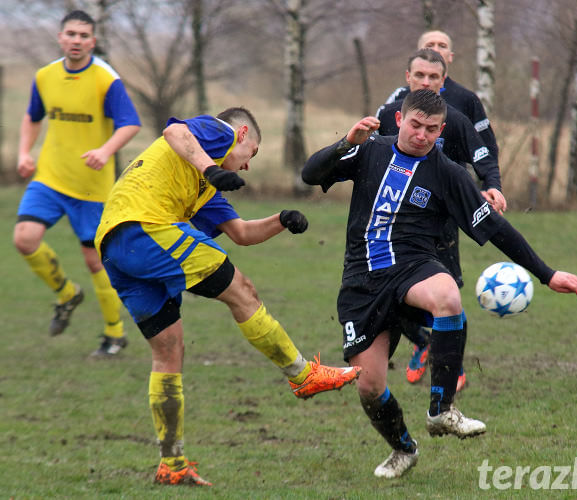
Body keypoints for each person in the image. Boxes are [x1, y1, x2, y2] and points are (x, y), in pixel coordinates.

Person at [302, 89, 577, 478]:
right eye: (415, 125)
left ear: (441, 130)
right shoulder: (371, 150)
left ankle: (442, 409)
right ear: (400, 120)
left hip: (414, 266)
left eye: (431, 129)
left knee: (448, 296)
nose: (422, 135)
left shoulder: (449, 173)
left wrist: (547, 274)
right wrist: (344, 144)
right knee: (369, 387)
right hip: (361, 281)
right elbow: (310, 174)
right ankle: (403, 449)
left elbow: (497, 229)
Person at [94, 107, 362, 486]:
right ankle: (302, 374)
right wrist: (211, 168)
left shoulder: (205, 183)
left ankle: (172, 464)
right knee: (242, 289)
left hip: (116, 246)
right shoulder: (216, 133)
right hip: (144, 226)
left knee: (168, 349)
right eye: (250, 154)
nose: (248, 167)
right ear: (240, 134)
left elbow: (240, 231)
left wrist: (281, 220)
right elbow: (175, 133)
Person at [14, 10, 141, 356]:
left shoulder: (105, 79)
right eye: (71, 34)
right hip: (51, 178)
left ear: (92, 42)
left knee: (95, 261)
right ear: (60, 38)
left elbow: (130, 123)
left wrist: (105, 150)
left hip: (92, 187)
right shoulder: (45, 76)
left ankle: (114, 334)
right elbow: (32, 116)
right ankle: (67, 293)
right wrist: (24, 152)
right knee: (24, 239)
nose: (76, 41)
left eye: (84, 36)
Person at [377, 48, 506, 390]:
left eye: (433, 77)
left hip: (444, 222)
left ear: (443, 79)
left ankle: (452, 364)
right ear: (408, 77)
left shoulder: (457, 114)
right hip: (395, 222)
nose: (426, 82)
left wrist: (492, 186)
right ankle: (422, 341)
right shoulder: (390, 112)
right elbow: (369, 160)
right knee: (394, 294)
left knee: (447, 295)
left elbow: (484, 155)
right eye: (419, 75)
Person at [385, 30, 499, 162]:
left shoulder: (467, 98)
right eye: (430, 45)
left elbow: (487, 149)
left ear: (450, 56)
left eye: (442, 46)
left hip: (446, 178)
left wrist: (486, 179)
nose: (436, 50)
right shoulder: (398, 96)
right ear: (419, 52)